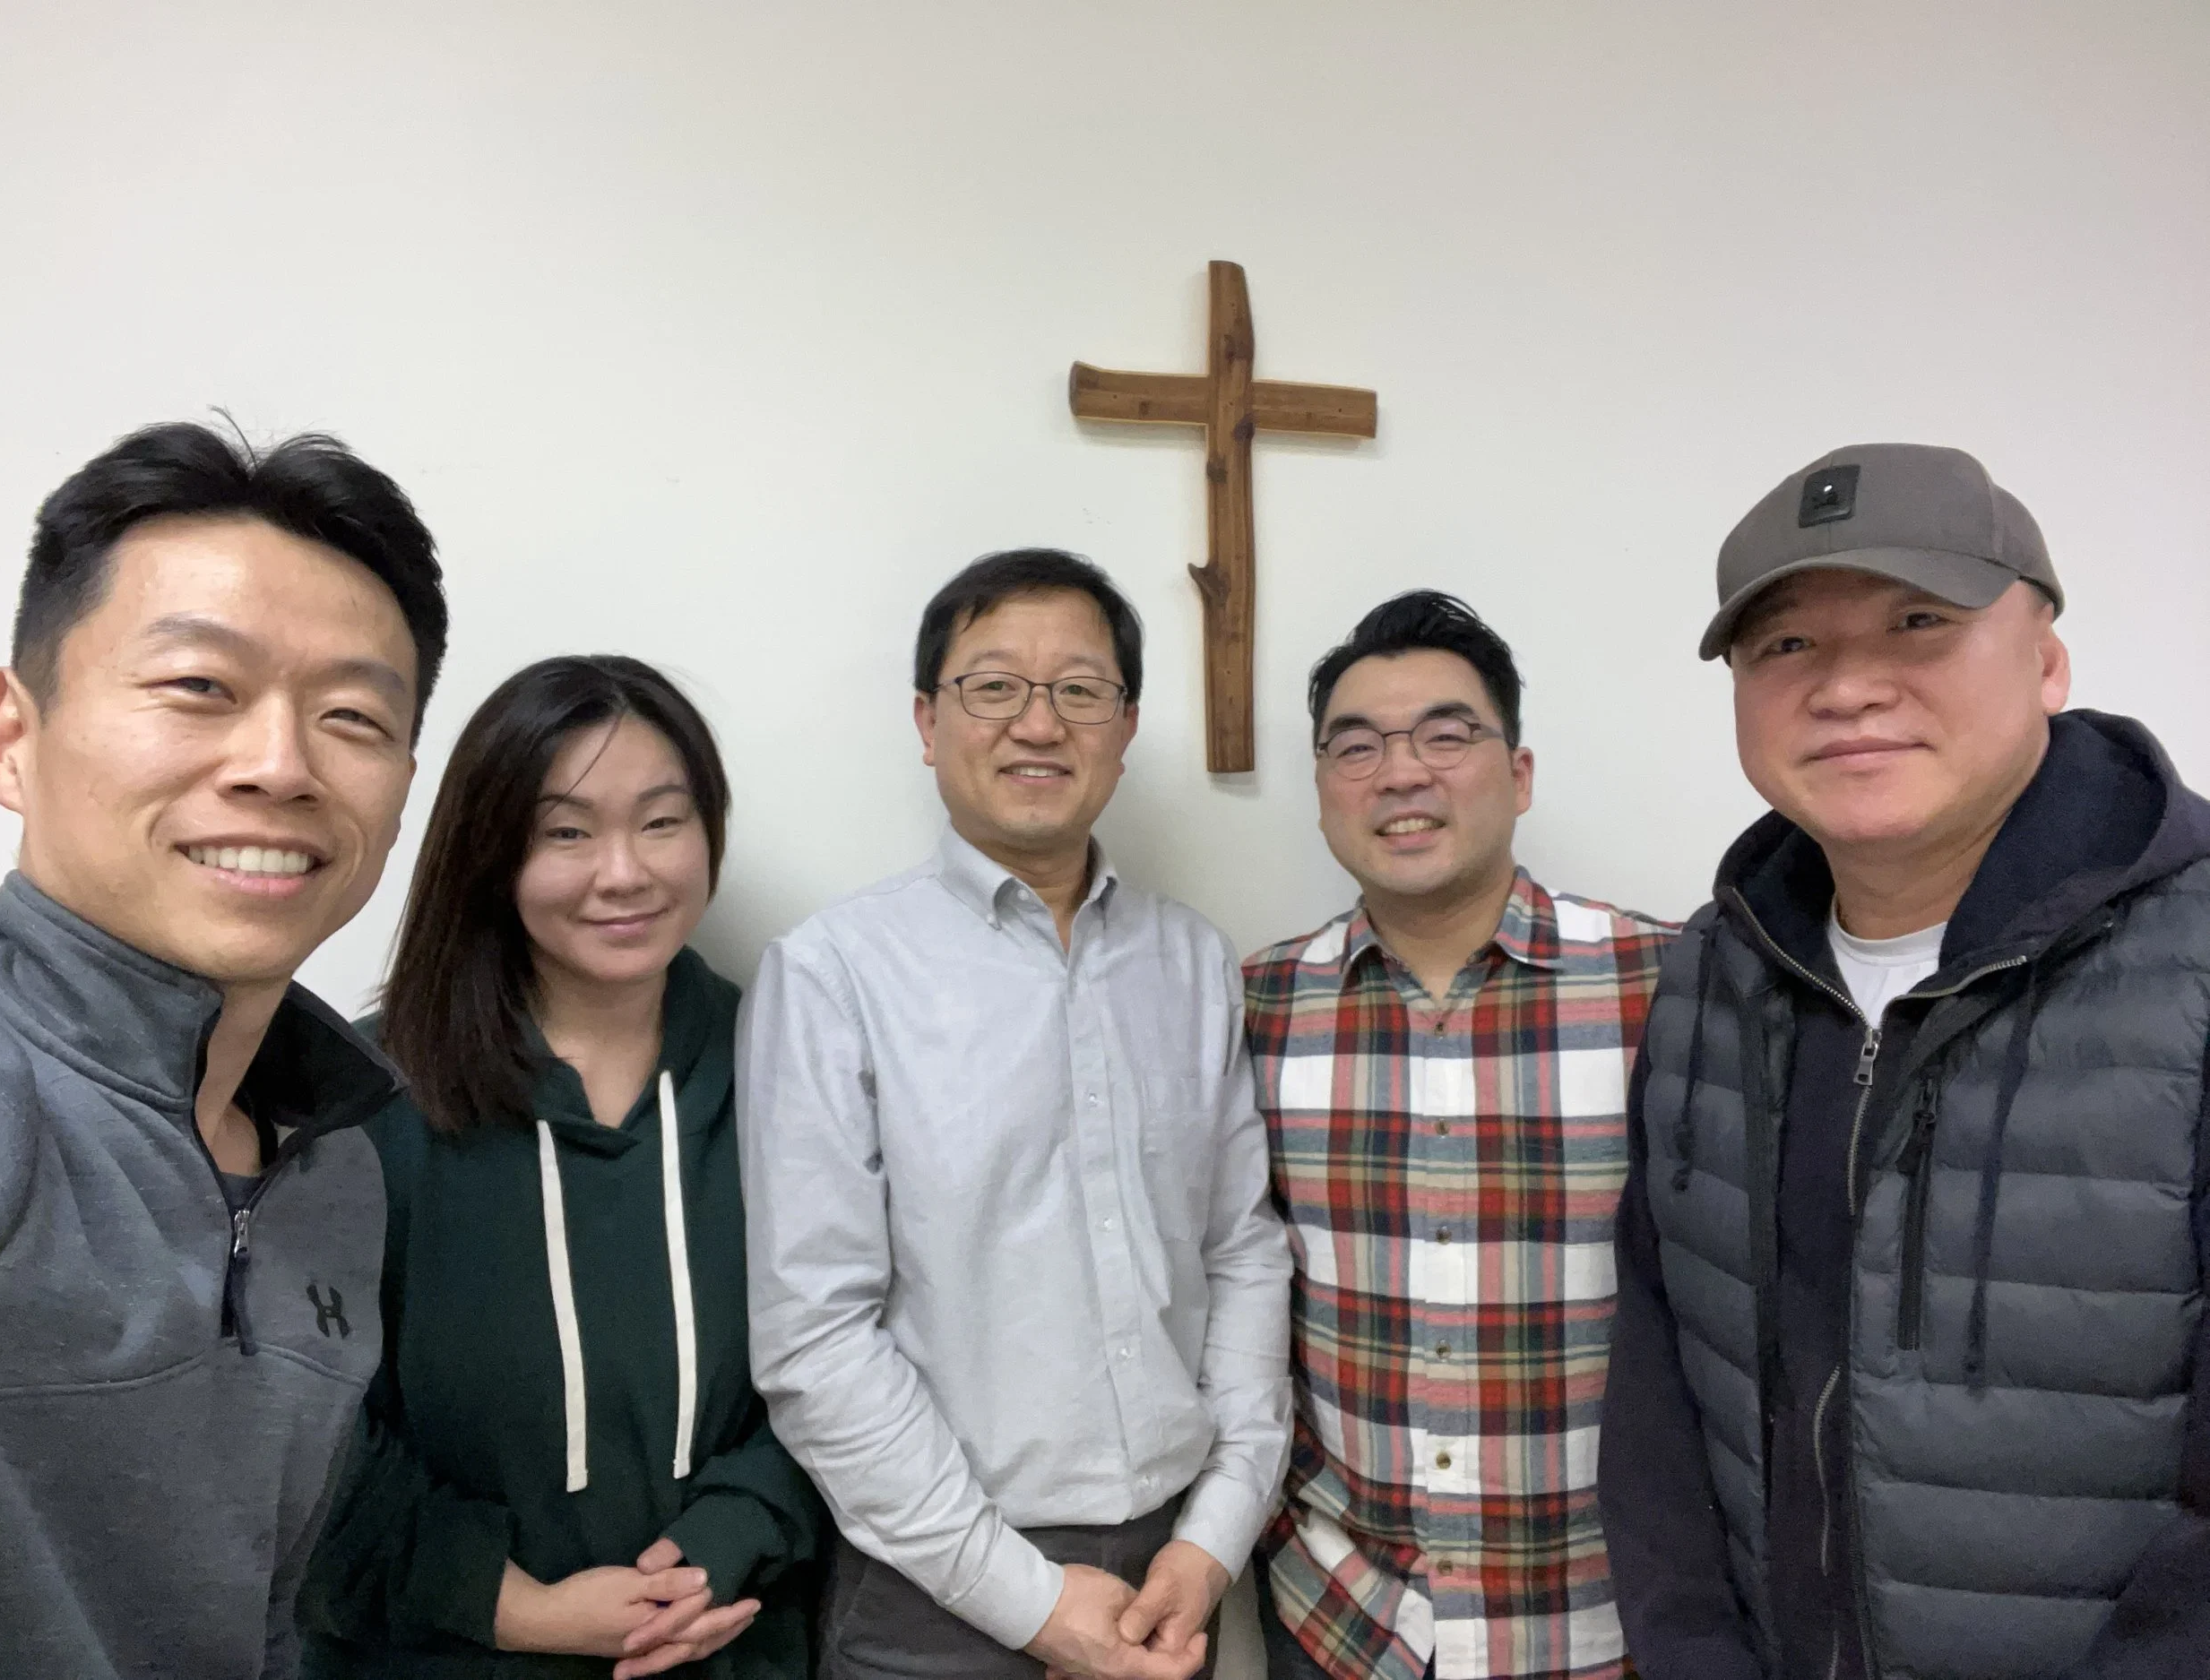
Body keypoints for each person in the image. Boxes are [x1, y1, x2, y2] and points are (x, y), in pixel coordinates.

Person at [1601, 444, 2210, 1679]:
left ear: (2045, 658)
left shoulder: (2189, 963)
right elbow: (1663, 1382)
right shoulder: (1719, 967)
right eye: (1786, 646)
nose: (1847, 688)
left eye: (1917, 621)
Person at [738, 548, 1291, 1680]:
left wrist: (1215, 1536)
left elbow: (1241, 1252)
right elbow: (814, 1335)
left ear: (1125, 727)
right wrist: (1026, 1599)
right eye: (993, 686)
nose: (1038, 724)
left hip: (1176, 1577)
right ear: (926, 720)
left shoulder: (1190, 962)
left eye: (1079, 690)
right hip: (933, 1593)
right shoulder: (835, 972)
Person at [0, 420, 448, 1677]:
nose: (279, 764)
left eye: (351, 713)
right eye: (199, 687)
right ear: (12, 735)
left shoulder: (335, 1162)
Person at [299, 654, 824, 1679]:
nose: (623, 872)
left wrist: (729, 1540)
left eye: (663, 821)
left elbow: (867, 1347)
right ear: (492, 854)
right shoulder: (361, 1103)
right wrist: (512, 1607)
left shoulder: (794, 1066)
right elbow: (294, 1422)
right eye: (567, 831)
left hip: (728, 1649)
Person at [1244, 591, 1677, 1680]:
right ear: (1321, 791)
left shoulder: (1671, 985)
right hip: (1343, 1620)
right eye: (1357, 746)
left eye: (1445, 734)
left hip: (1607, 1621)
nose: (1400, 773)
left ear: (1518, 774)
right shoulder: (1249, 1009)